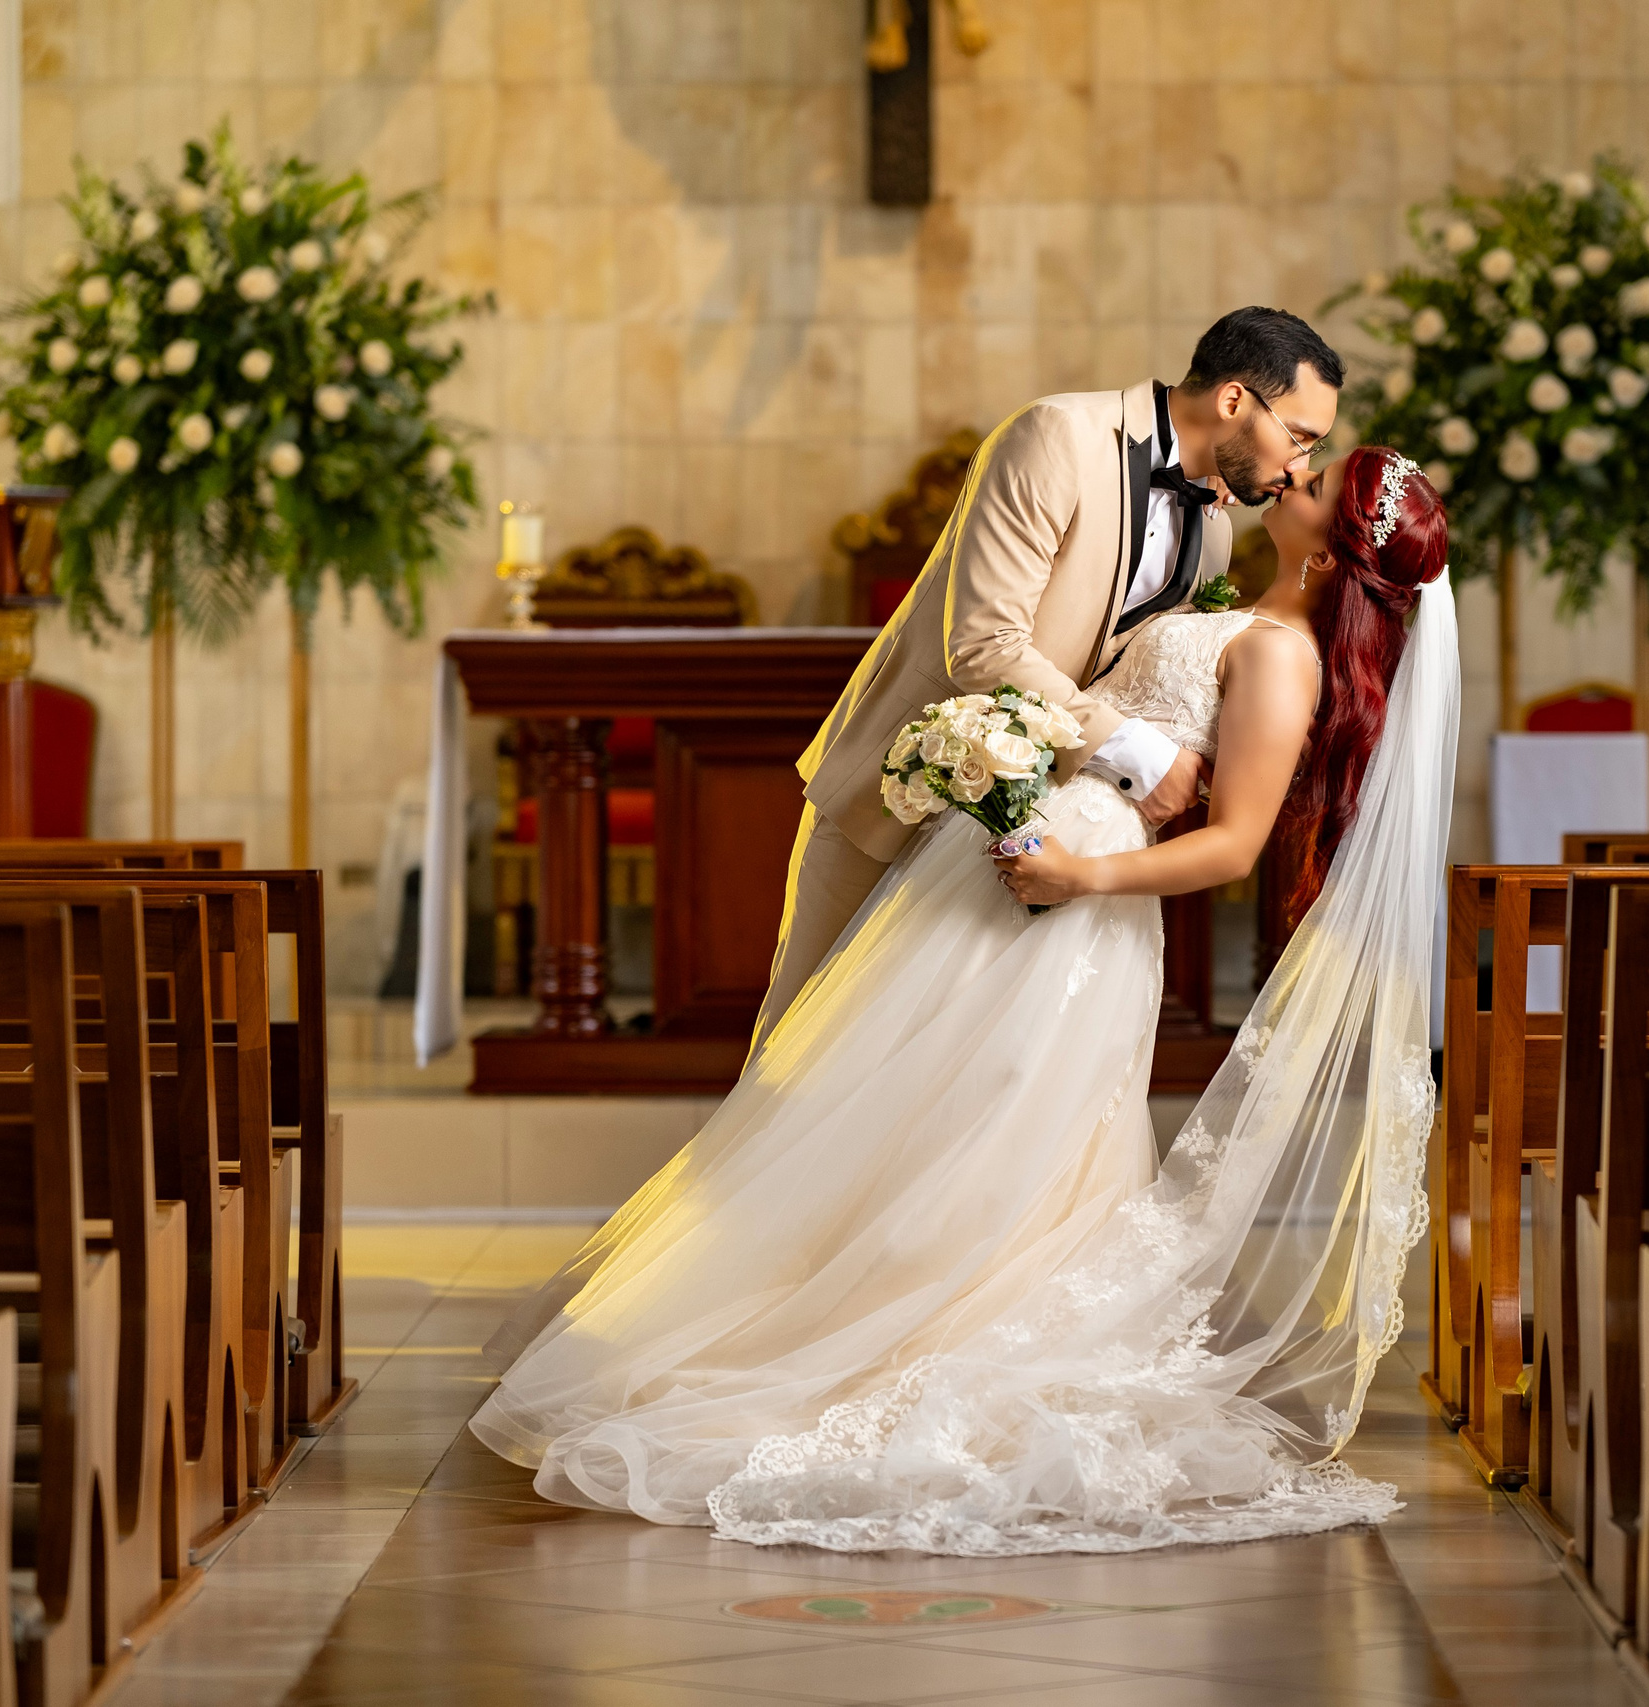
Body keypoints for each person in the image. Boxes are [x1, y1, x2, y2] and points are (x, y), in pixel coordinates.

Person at [471, 441, 1456, 1557]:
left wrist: (1081, 874)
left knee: (1006, 1123)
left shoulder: (1282, 655)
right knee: (903, 1101)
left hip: (1075, 894)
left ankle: (936, 1346)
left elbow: (1231, 847)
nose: (1292, 475)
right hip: (1017, 855)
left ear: (1331, 554)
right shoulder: (1237, 597)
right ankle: (841, 1323)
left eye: (1316, 485)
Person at [753, 306, 1345, 1049]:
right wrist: (1141, 756)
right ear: (1234, 401)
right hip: (907, 786)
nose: (1298, 466)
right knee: (802, 1052)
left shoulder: (1217, 531)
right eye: (1299, 436)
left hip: (1023, 843)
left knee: (940, 1081)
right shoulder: (1057, 436)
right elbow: (983, 642)